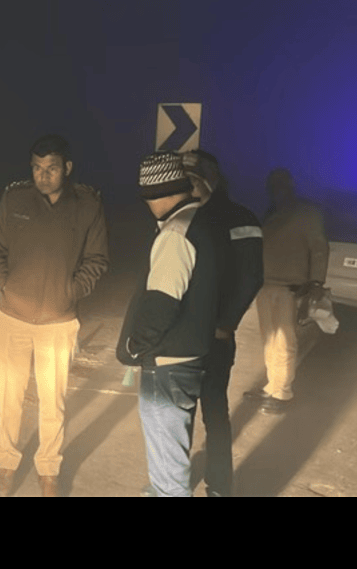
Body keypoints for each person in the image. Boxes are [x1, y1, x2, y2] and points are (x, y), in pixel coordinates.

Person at [0, 134, 108, 497]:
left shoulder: (87, 205)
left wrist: (71, 291)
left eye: (51, 168)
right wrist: (4, 282)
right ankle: (6, 464)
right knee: (9, 398)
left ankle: (49, 470)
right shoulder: (15, 199)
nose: (43, 175)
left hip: (58, 321)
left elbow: (97, 259)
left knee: (53, 401)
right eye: (37, 168)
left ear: (66, 168)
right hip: (12, 316)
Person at [116, 150, 226, 497]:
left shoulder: (175, 234)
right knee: (172, 450)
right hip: (190, 357)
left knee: (168, 468)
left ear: (153, 195)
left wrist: (135, 345)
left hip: (167, 364)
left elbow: (161, 304)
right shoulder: (202, 224)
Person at [182, 150, 263, 497]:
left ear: (210, 179)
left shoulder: (239, 217)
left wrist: (227, 323)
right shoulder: (183, 215)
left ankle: (219, 485)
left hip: (215, 336)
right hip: (182, 335)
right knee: (178, 414)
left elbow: (251, 276)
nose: (187, 186)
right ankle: (174, 481)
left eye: (193, 180)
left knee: (214, 413)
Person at [246, 168, 328, 415]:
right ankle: (272, 386)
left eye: (280, 183)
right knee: (270, 340)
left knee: (284, 341)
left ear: (291, 184)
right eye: (272, 184)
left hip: (290, 287)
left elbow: (319, 248)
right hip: (265, 284)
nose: (275, 189)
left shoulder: (307, 212)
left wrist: (316, 282)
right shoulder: (272, 211)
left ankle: (282, 392)